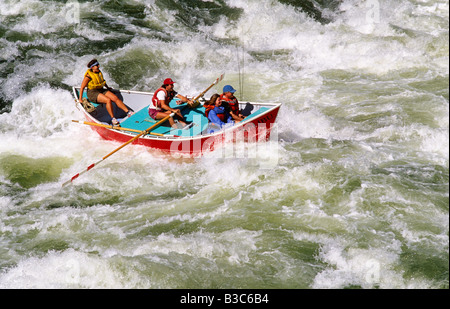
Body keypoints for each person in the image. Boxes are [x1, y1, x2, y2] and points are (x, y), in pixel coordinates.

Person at [79, 59, 133, 126]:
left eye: (98, 64)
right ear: (92, 67)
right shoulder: (88, 76)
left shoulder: (98, 72)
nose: (98, 66)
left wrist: (107, 88)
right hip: (92, 93)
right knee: (108, 100)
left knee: (115, 98)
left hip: (101, 90)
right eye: (96, 65)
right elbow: (82, 88)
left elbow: (102, 81)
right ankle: (113, 119)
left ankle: (128, 112)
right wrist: (80, 99)